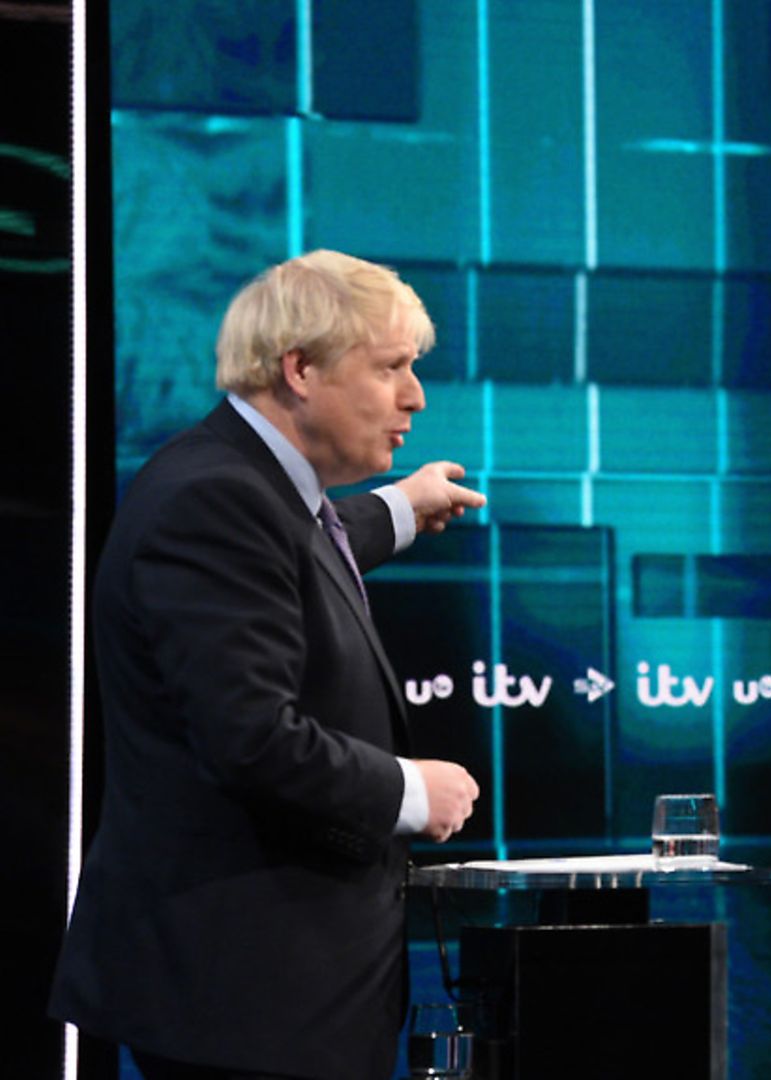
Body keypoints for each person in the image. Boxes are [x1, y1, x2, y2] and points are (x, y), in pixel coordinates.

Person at [50, 251, 487, 1080]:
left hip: (264, 997)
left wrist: (400, 506)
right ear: (301, 370)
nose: (415, 398)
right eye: (392, 368)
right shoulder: (215, 501)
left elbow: (312, 545)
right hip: (244, 1000)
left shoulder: (250, 489)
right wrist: (408, 792)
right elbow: (250, 736)